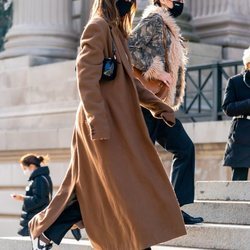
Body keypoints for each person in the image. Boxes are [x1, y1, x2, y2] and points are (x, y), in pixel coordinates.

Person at [28, 0, 186, 249]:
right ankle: (46, 228)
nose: (130, 3)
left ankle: (47, 231)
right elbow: (86, 78)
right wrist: (96, 121)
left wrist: (160, 106)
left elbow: (131, 84)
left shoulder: (117, 32)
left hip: (118, 124)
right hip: (100, 125)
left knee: (108, 186)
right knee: (121, 186)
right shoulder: (97, 27)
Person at [129, 0, 203, 224]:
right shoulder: (153, 20)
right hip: (146, 105)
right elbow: (127, 49)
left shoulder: (169, 26)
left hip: (161, 106)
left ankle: (174, 210)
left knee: (185, 148)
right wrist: (156, 71)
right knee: (142, 161)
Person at [222, 46, 250, 181]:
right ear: (248, 64)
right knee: (239, 177)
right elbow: (227, 108)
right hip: (241, 133)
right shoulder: (235, 81)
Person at [11, 154, 53, 237]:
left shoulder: (39, 179)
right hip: (34, 220)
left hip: (34, 220)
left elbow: (40, 200)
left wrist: (22, 198)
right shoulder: (40, 178)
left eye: (24, 168)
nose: (24, 171)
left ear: (31, 166)